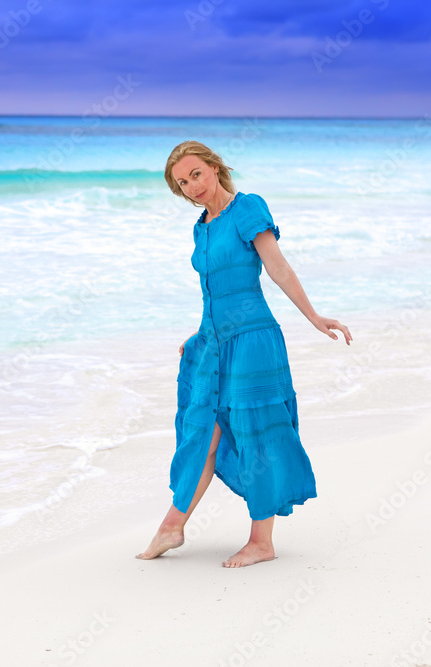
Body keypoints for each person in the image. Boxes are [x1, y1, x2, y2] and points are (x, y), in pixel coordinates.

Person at [136, 140, 352, 568]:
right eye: (182, 183)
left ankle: (260, 541)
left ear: (215, 168)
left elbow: (278, 268)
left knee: (259, 432)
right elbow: (214, 291)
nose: (191, 187)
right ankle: (173, 527)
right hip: (215, 344)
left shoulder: (248, 209)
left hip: (253, 341)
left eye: (196, 174)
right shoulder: (202, 226)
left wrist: (313, 316)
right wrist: (201, 334)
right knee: (204, 431)